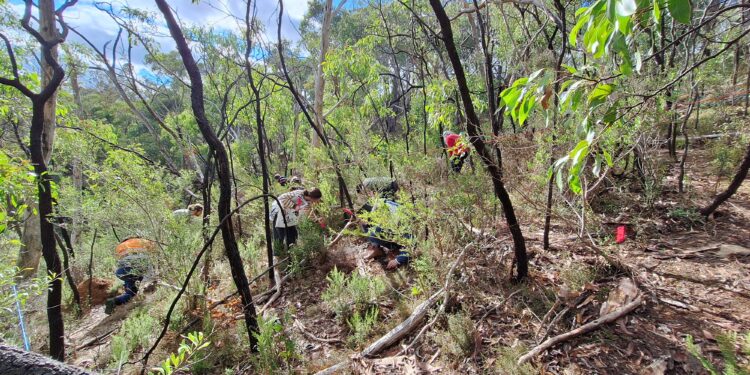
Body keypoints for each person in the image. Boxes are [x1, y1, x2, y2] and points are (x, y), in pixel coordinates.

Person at [105, 237, 157, 314]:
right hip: (140, 268)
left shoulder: (120, 246)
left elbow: (121, 263)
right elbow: (152, 259)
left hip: (122, 271)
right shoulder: (146, 242)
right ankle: (132, 293)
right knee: (137, 289)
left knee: (130, 291)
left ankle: (114, 301)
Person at [357, 199, 411, 270]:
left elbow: (410, 245)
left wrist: (397, 260)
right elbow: (369, 225)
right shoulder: (379, 206)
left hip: (400, 234)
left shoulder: (400, 220)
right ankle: (377, 248)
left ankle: (396, 248)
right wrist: (375, 244)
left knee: (376, 232)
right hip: (391, 228)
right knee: (371, 232)